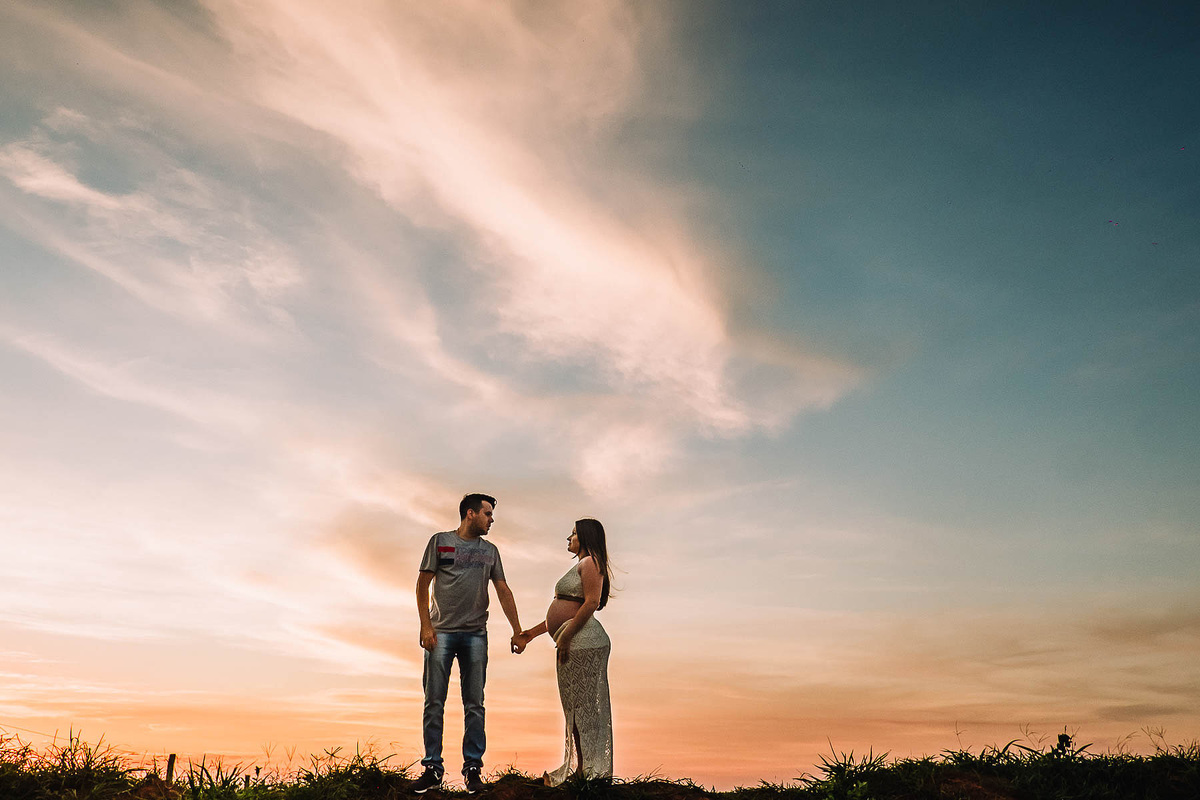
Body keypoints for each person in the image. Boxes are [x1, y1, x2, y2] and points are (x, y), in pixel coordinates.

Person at [412, 493, 523, 794]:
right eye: (487, 514)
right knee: (434, 702)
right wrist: (426, 625)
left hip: (475, 635)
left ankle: (473, 769)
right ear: (470, 513)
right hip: (441, 633)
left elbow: (503, 590)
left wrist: (517, 630)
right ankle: (432, 768)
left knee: (475, 704)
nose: (491, 520)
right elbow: (422, 584)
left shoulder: (490, 551)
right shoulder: (440, 541)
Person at [512, 518, 614, 785]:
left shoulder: (590, 562)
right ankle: (582, 769)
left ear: (586, 537)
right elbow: (563, 611)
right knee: (575, 707)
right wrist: (530, 634)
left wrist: (566, 637)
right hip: (574, 641)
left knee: (583, 708)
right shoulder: (582, 564)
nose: (569, 538)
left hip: (584, 642)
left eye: (573, 534)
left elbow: (591, 602)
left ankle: (587, 772)